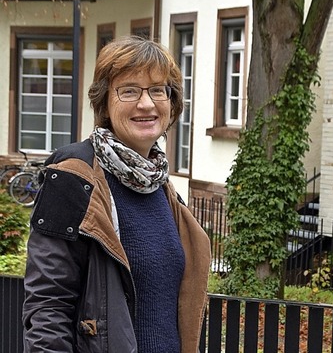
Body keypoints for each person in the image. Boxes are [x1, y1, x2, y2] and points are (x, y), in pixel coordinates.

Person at [22, 35, 212, 352]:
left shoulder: (160, 186)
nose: (146, 103)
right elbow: (47, 304)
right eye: (129, 91)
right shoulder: (72, 176)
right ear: (105, 102)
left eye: (157, 90)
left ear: (171, 102)